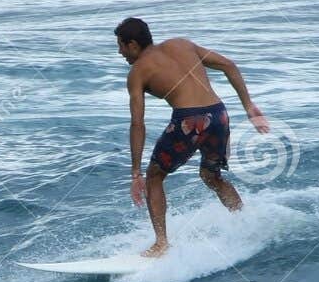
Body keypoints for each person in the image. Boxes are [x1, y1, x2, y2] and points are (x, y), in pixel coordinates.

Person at [115, 16, 271, 258]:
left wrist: (136, 173)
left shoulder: (138, 72)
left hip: (191, 120)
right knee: (211, 176)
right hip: (219, 114)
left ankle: (161, 244)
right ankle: (245, 223)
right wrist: (248, 106)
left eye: (121, 46)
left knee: (154, 177)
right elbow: (229, 64)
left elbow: (138, 124)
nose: (120, 52)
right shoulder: (181, 44)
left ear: (133, 44)